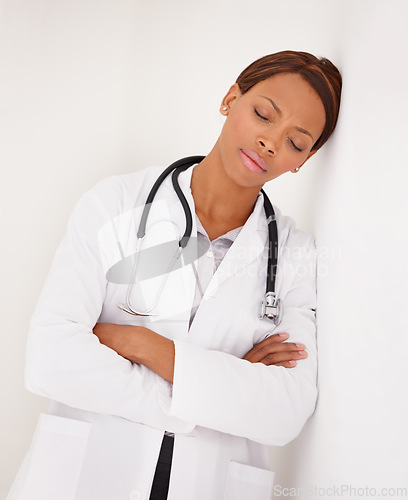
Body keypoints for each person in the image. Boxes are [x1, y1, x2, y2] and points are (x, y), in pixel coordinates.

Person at [7, 50, 341, 500]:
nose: (270, 142)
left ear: (303, 160)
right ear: (230, 99)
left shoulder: (294, 254)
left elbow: (284, 412)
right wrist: (210, 392)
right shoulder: (116, 205)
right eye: (263, 114)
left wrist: (142, 345)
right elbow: (51, 358)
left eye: (296, 143)